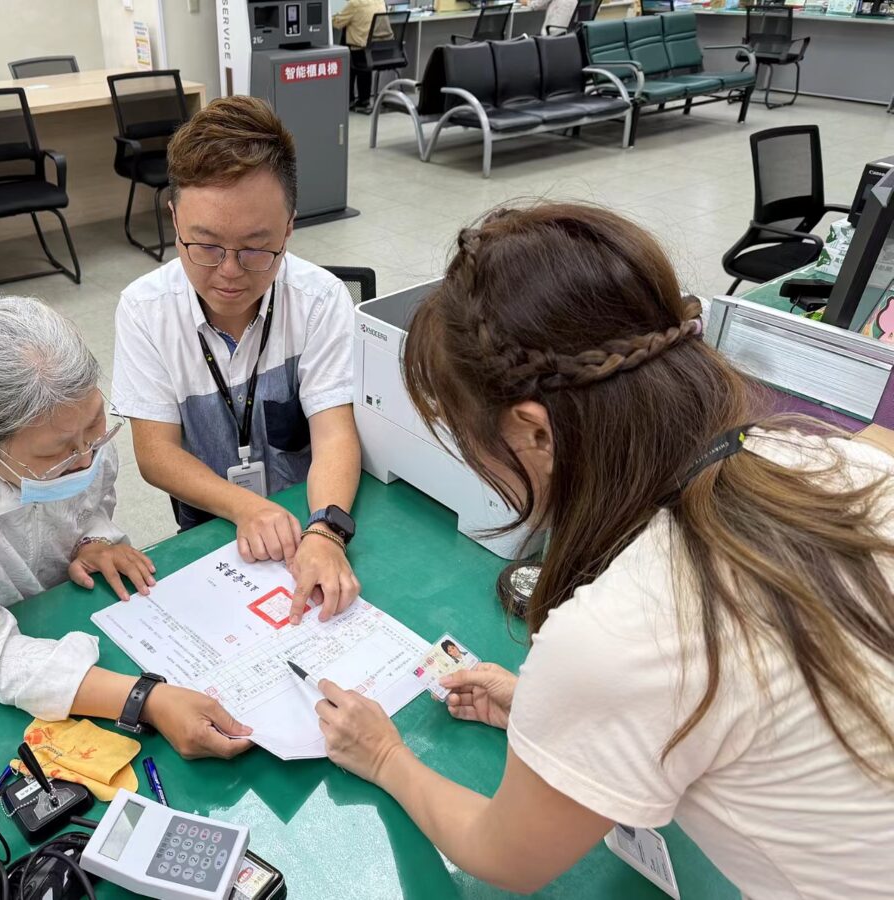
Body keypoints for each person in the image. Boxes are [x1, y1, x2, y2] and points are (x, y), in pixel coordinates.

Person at [313, 203, 894, 897]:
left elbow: (508, 858)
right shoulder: (852, 465)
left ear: (534, 433)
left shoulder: (616, 633)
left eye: (467, 439)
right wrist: (553, 714)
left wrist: (383, 756)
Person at [0, 297, 252, 760]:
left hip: (46, 616)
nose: (86, 457)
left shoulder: (74, 427)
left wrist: (93, 538)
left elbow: (90, 501)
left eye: (96, 423)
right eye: (56, 454)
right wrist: (145, 700)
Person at [113, 96, 362, 626]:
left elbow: (335, 433)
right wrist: (244, 506)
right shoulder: (144, 309)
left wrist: (325, 530)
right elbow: (155, 454)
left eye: (256, 248)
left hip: (311, 513)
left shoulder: (320, 299)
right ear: (174, 216)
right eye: (203, 245)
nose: (228, 272)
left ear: (290, 227)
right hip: (213, 524)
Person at [332, 0, 392, 113]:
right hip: (377, 50)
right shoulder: (380, 1)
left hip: (361, 51)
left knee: (346, 54)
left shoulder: (354, 4)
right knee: (355, 48)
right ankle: (363, 100)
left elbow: (337, 23)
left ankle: (348, 100)